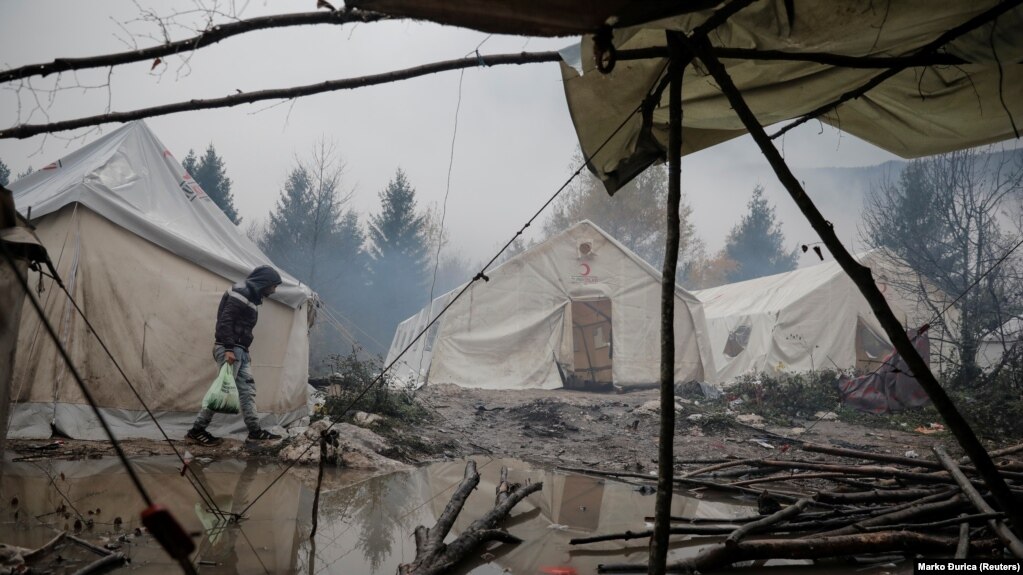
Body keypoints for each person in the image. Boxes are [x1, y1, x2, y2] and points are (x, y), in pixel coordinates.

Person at [186, 265, 284, 445]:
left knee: (248, 391)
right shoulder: (242, 292)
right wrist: (230, 348)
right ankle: (197, 430)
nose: (274, 290)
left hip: (240, 350)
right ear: (265, 282)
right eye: (273, 285)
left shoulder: (252, 297)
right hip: (229, 349)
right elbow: (226, 320)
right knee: (220, 390)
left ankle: (255, 431)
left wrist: (243, 351)